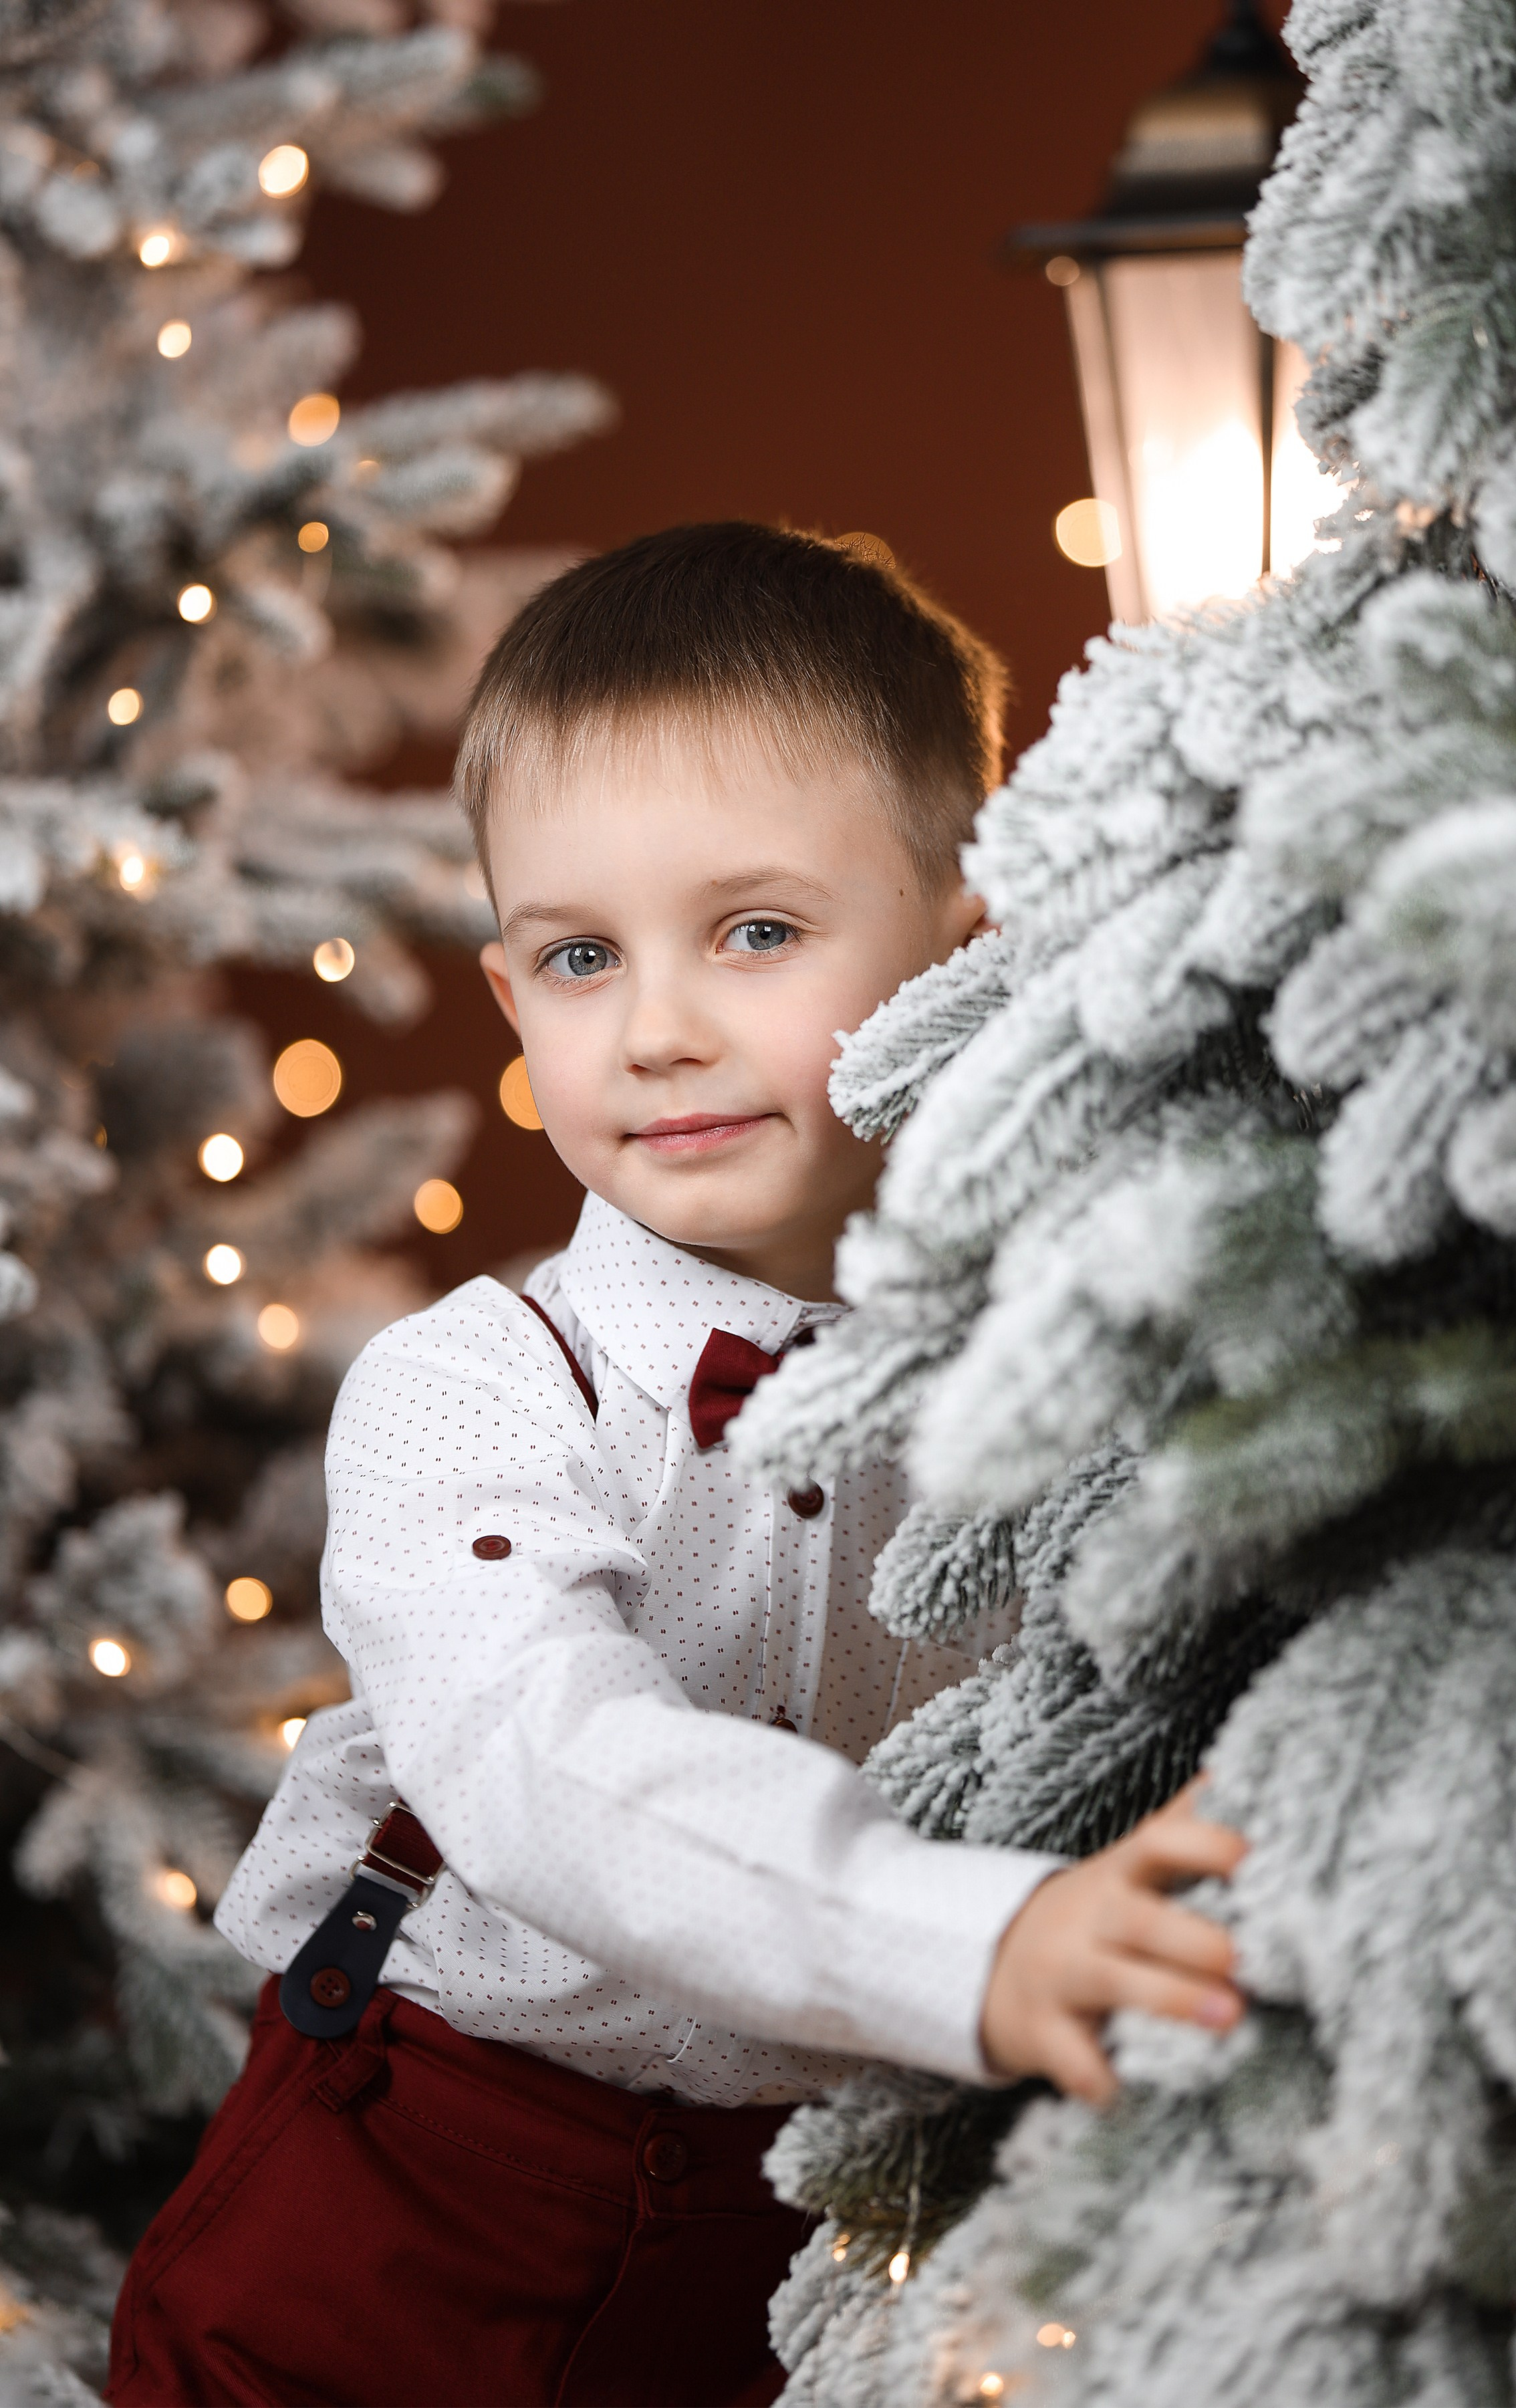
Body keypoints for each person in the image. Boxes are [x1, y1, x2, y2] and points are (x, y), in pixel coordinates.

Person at [106, 523, 1248, 2408]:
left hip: (787, 2234)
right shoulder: (469, 1387)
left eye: (758, 931)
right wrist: (978, 1943)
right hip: (403, 2190)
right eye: (579, 955)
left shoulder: (1072, 1379)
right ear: (513, 1001)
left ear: (967, 948)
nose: (656, 1028)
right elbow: (552, 1761)